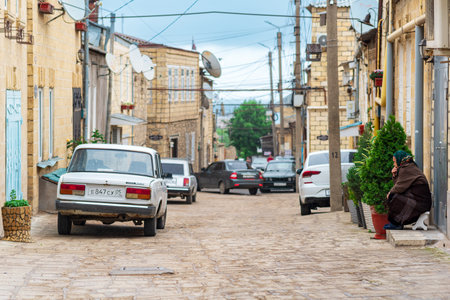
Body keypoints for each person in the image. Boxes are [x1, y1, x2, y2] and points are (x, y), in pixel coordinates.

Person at [384, 150, 432, 230]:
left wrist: (390, 193)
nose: (394, 164)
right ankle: (397, 223)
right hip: (419, 199)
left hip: (420, 202)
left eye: (395, 162)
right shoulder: (408, 166)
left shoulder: (406, 169)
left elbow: (399, 187)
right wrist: (394, 174)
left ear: (400, 160)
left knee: (394, 196)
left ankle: (396, 223)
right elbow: (399, 184)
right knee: (395, 195)